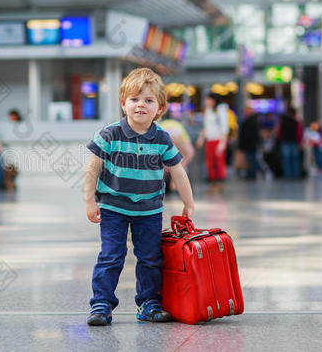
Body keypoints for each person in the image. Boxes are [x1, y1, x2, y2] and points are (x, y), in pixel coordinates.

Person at [84, 68, 195, 326]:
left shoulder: (162, 138)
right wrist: (89, 200)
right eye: (134, 99)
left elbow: (178, 171)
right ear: (124, 104)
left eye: (148, 100)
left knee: (150, 258)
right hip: (114, 206)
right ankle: (101, 303)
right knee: (112, 255)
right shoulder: (110, 134)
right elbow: (93, 168)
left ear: (160, 108)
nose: (140, 105)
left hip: (149, 210)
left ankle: (148, 302)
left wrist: (188, 202)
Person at [196, 93, 229, 193]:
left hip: (218, 140)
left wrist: (223, 142)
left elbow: (224, 127)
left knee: (219, 163)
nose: (206, 102)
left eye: (208, 99)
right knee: (210, 163)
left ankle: (220, 185)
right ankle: (213, 184)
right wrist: (201, 139)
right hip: (209, 140)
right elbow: (205, 127)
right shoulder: (208, 111)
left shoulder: (220, 111)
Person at [159, 111, 195, 191]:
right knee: (186, 156)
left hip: (164, 144)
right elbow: (188, 146)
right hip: (178, 140)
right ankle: (174, 181)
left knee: (162, 162)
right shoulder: (178, 124)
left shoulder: (160, 125)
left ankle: (159, 184)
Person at [277, 107, 303, 179]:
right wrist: (300, 142)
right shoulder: (296, 122)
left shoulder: (283, 122)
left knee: (286, 160)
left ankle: (287, 175)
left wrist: (280, 140)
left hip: (285, 142)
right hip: (294, 142)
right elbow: (299, 133)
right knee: (295, 159)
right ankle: (296, 175)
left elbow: (279, 133)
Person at [238, 106, 261, 180]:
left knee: (251, 159)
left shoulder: (250, 121)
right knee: (250, 159)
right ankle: (251, 174)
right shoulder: (253, 121)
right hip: (250, 144)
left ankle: (251, 174)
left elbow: (245, 134)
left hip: (250, 144)